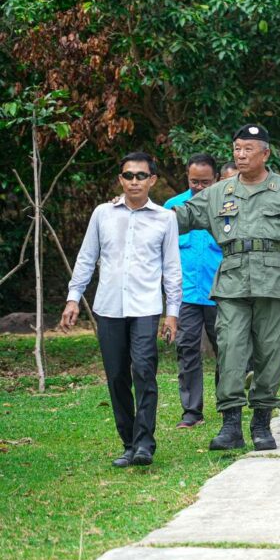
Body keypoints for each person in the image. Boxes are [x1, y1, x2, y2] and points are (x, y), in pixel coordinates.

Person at [173, 124, 280, 452]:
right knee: (231, 350)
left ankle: (261, 422)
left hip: (276, 281)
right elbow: (178, 217)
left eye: (248, 149)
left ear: (265, 153)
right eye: (237, 148)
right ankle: (231, 425)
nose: (241, 154)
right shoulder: (218, 192)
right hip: (233, 283)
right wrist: (139, 206)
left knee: (272, 353)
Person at [61, 152, 182, 467]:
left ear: (152, 180)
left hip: (145, 308)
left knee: (144, 371)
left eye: (141, 175)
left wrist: (172, 312)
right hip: (109, 307)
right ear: (120, 179)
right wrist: (73, 298)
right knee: (116, 376)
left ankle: (144, 444)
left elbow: (172, 268)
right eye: (128, 175)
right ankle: (128, 443)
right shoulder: (103, 213)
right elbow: (87, 257)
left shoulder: (165, 219)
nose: (134, 181)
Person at [164, 153, 222, 429]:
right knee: (187, 349)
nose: (199, 187)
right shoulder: (173, 208)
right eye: (194, 181)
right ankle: (191, 411)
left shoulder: (227, 206)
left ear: (216, 179)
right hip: (185, 293)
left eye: (205, 182)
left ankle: (227, 403)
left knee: (226, 350)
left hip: (220, 292)